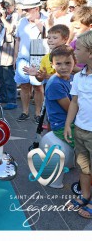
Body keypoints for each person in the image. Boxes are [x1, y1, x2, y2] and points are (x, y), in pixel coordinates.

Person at [64, 30, 92, 219]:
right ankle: (85, 195)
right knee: (83, 167)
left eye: (78, 49)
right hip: (81, 130)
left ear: (90, 53)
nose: (75, 52)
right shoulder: (80, 76)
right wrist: (68, 124)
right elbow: (74, 101)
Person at [14, 0, 47, 123]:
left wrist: (41, 27)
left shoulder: (46, 20)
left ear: (36, 9)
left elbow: (50, 38)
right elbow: (18, 39)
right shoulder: (22, 21)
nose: (25, 12)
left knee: (38, 86)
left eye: (27, 10)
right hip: (22, 58)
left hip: (39, 57)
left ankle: (38, 113)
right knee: (24, 86)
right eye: (24, 10)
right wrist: (15, 57)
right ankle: (25, 111)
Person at [44, 45, 76, 145]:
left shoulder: (72, 77)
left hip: (73, 122)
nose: (63, 67)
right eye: (58, 64)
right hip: (63, 126)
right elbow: (71, 109)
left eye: (68, 63)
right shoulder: (55, 84)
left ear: (74, 62)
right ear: (52, 65)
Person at [0, 0, 19, 110]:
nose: (7, 9)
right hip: (1, 47)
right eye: (6, 6)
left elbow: (10, 29)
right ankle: (4, 97)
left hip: (9, 46)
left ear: (14, 5)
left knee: (9, 75)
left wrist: (4, 20)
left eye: (9, 6)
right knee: (2, 75)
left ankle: (12, 100)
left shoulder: (15, 16)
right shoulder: (5, 15)